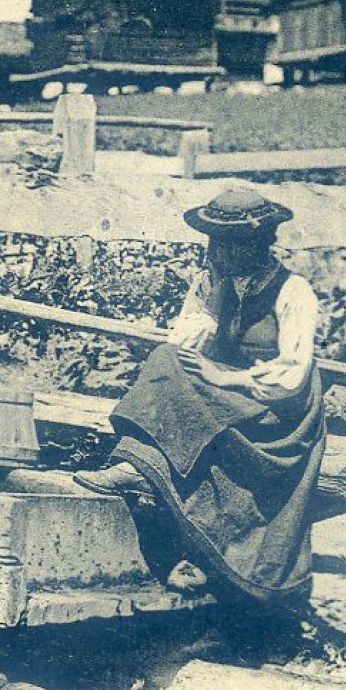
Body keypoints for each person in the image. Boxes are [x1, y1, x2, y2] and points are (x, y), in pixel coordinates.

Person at [74, 188, 325, 623]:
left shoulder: (293, 290)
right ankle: (136, 467)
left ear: (257, 244)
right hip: (224, 394)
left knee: (191, 399)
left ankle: (144, 477)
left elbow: (293, 373)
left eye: (226, 244)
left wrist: (226, 377)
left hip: (276, 411)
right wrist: (210, 305)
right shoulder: (213, 283)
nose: (215, 252)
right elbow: (182, 348)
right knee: (164, 359)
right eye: (213, 242)